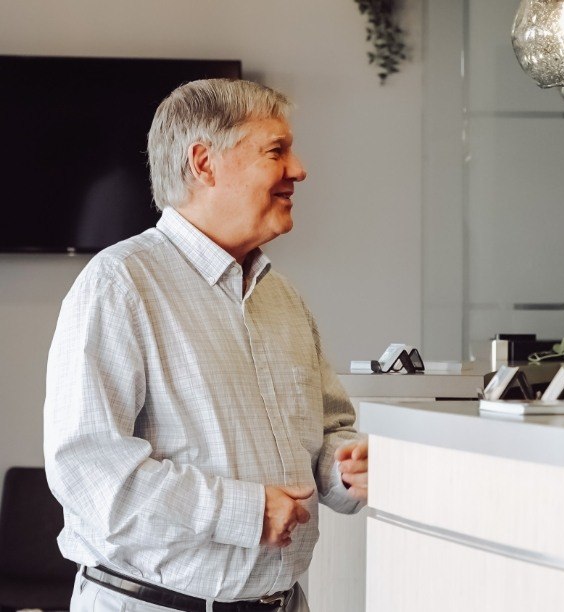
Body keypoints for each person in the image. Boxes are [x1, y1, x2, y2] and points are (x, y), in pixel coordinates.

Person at [44, 78, 368, 612]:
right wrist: (245, 512)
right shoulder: (119, 283)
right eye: (276, 151)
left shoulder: (281, 298)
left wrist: (347, 466)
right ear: (203, 162)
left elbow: (330, 430)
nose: (299, 169)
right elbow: (90, 471)